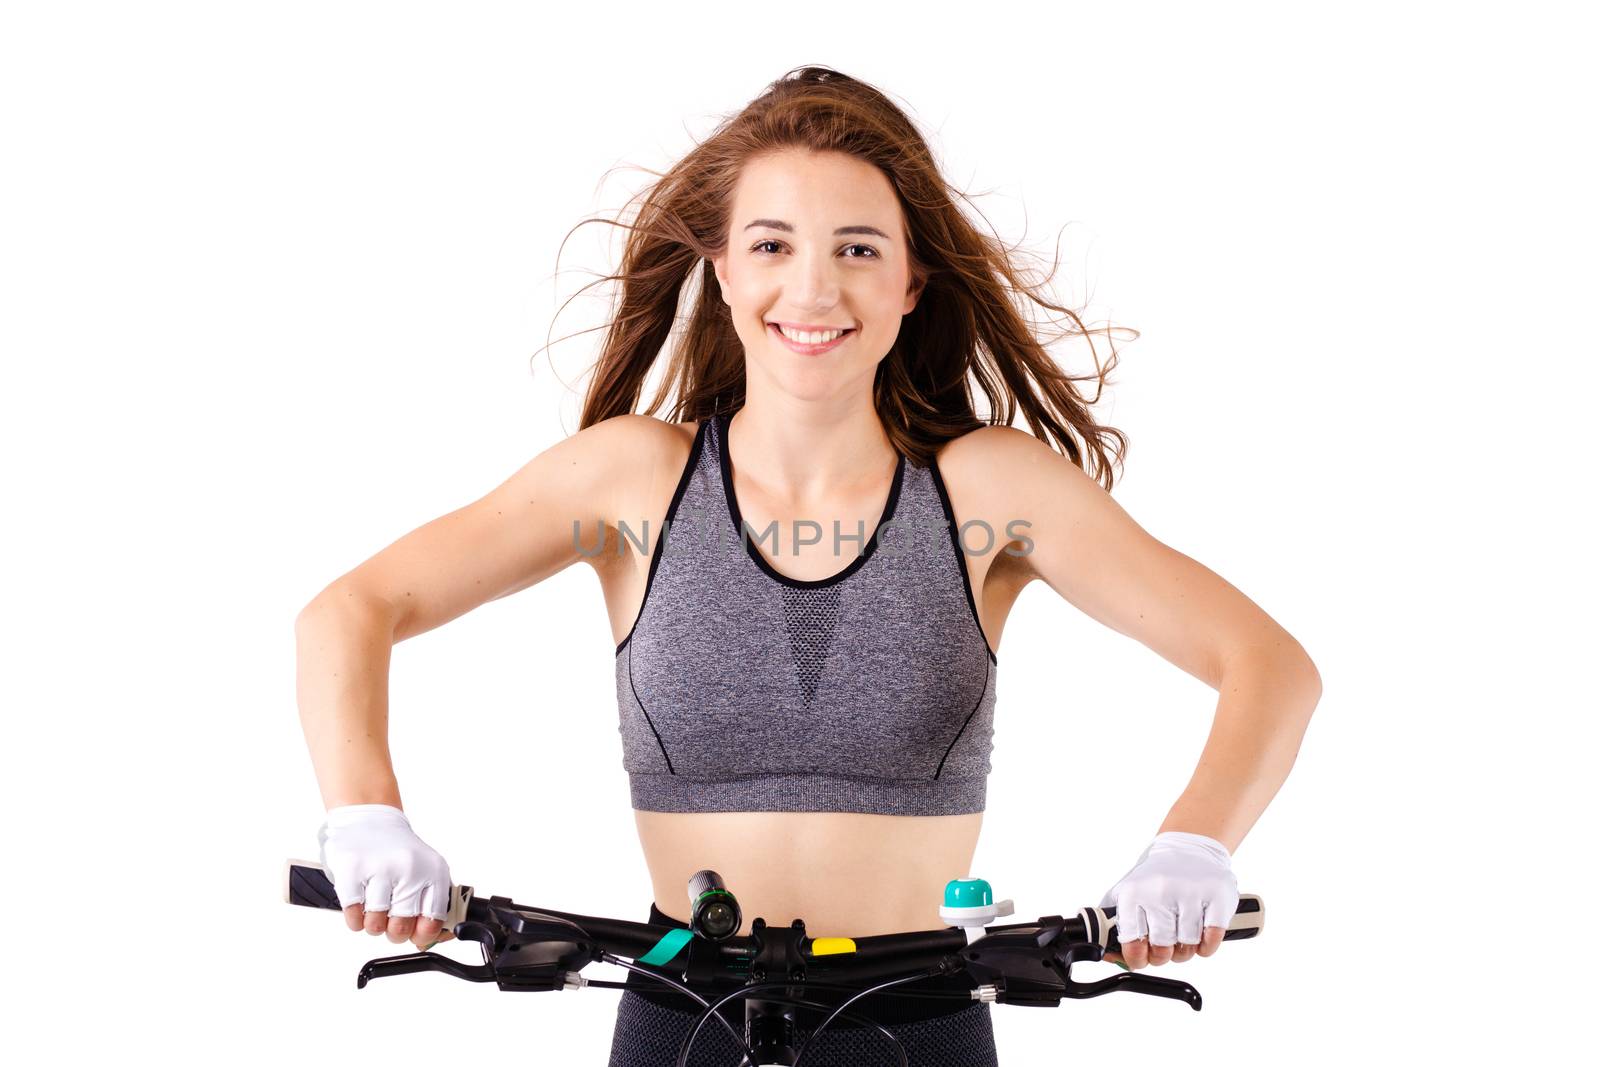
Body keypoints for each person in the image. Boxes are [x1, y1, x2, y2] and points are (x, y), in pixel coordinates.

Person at [297, 66, 1322, 1066]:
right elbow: (354, 607)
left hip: (915, 1022)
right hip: (679, 1011)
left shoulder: (991, 493)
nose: (814, 287)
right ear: (725, 268)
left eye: (859, 248)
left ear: (911, 279)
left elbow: (1266, 662)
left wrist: (1193, 843)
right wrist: (365, 808)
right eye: (773, 243)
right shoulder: (628, 481)